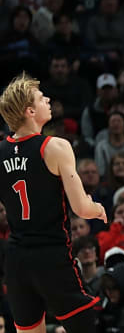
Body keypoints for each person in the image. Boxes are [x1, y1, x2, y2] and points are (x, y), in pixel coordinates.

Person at [0, 73, 107, 332]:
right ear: (29, 111)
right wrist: (98, 208)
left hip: (15, 259)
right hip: (52, 255)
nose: (48, 99)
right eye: (41, 97)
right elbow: (81, 208)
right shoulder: (55, 146)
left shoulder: (0, 151)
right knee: (86, 325)